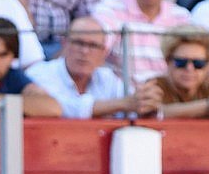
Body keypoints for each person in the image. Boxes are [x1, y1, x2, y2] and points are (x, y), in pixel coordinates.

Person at [26, 16, 163, 117]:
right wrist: (123, 104)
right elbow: (66, 108)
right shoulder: (40, 73)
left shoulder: (107, 78)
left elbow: (133, 104)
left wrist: (146, 102)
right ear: (65, 43)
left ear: (103, 52)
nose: (85, 51)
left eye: (93, 46)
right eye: (79, 43)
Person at [92, 0, 189, 87]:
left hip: (165, 96)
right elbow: (96, 47)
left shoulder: (182, 18)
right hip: (119, 96)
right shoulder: (109, 8)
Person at [146, 26, 209, 117]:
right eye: (181, 62)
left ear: (208, 65)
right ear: (167, 61)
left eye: (198, 63)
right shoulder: (154, 86)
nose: (190, 68)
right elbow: (158, 113)